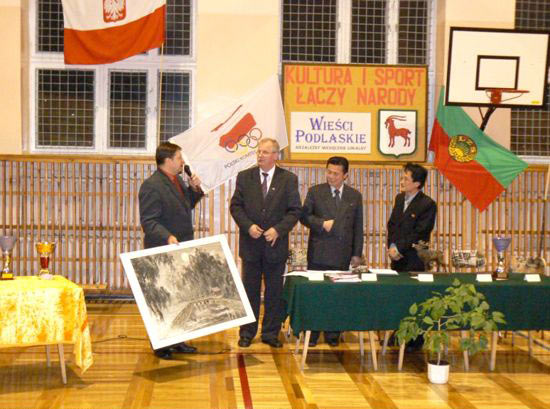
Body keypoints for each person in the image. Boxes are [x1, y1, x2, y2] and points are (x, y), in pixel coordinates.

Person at [230, 138, 301, 348]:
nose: (260, 155)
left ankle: (271, 333)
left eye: (265, 152)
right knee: (249, 290)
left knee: (274, 292)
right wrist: (248, 226)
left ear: (275, 156)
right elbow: (236, 206)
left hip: (275, 246)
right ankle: (246, 332)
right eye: (259, 151)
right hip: (250, 246)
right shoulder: (245, 177)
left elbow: (295, 210)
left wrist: (278, 230)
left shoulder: (288, 179)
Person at [138, 141, 204, 359]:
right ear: (168, 160)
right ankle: (161, 345)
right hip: (162, 248)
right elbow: (149, 221)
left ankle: (178, 340)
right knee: (163, 298)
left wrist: (195, 189)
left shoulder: (176, 181)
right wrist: (167, 236)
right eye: (178, 158)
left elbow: (185, 206)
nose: (182, 161)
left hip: (181, 246)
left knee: (179, 296)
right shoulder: (152, 185)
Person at [300, 156, 364, 347]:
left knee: (337, 296)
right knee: (316, 294)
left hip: (342, 253)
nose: (331, 176)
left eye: (336, 173)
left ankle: (333, 332)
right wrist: (321, 224)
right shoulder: (315, 192)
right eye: (329, 172)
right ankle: (311, 333)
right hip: (319, 251)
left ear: (345, 175)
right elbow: (304, 217)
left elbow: (358, 227)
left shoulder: (354, 196)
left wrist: (356, 253)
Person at [387, 162, 437, 272]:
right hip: (396, 258)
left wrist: (399, 248)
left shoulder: (428, 204)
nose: (401, 182)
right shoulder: (399, 198)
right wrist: (392, 246)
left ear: (417, 183)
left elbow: (420, 232)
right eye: (402, 178)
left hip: (415, 259)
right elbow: (392, 224)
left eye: (405, 179)